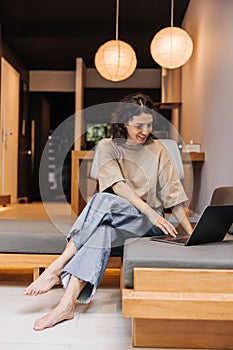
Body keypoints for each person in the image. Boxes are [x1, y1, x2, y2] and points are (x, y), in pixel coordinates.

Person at [24, 93, 193, 331]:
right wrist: (149, 210)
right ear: (124, 123)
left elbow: (174, 197)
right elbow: (118, 186)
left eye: (149, 124)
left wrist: (191, 233)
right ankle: (67, 305)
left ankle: (58, 266)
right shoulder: (107, 147)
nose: (145, 130)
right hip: (120, 219)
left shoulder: (159, 151)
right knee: (101, 229)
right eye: (138, 125)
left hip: (149, 224)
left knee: (102, 200)